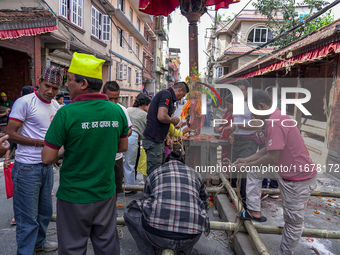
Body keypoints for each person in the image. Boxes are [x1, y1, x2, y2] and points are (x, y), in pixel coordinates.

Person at [41, 52, 129, 255]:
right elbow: (123, 146)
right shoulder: (116, 111)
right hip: (105, 194)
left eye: (70, 80)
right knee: (107, 246)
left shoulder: (67, 112)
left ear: (83, 83)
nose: (66, 85)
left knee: (73, 248)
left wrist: (68, 150)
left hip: (74, 196)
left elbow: (47, 157)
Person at [235, 89, 317, 255]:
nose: (252, 116)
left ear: (261, 106)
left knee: (292, 223)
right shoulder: (277, 116)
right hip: (285, 170)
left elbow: (272, 157)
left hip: (298, 179)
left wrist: (246, 165)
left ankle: (284, 254)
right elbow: (267, 149)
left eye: (253, 112)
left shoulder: (274, 122)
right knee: (254, 171)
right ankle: (254, 211)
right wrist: (246, 161)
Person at [7, 66, 62, 254]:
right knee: (26, 216)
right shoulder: (24, 102)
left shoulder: (56, 106)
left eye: (55, 88)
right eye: (47, 86)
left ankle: (39, 243)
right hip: (26, 168)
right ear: (39, 82)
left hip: (46, 166)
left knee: (45, 212)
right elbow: (11, 134)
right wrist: (41, 143)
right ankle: (26, 251)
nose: (50, 91)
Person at [124, 150, 210, 255]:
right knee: (198, 216)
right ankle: (185, 251)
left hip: (157, 236)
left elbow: (145, 199)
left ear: (165, 163)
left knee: (128, 212)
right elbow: (205, 203)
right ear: (183, 164)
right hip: (190, 237)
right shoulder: (195, 174)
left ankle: (149, 252)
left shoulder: (156, 172)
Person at [226, 79, 263, 208]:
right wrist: (232, 132)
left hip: (249, 141)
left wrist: (237, 125)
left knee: (244, 170)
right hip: (237, 139)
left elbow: (258, 125)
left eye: (241, 90)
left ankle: (245, 203)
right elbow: (236, 122)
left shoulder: (253, 104)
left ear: (248, 90)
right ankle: (235, 198)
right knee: (234, 169)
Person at [143, 82, 189, 175]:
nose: (181, 98)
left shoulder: (167, 96)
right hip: (153, 140)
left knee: (159, 170)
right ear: (179, 90)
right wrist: (173, 120)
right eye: (183, 95)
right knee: (154, 173)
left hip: (158, 140)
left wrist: (167, 137)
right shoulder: (166, 95)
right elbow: (161, 116)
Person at [102, 81, 132, 196]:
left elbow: (129, 130)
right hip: (101, 158)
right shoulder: (98, 110)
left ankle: (112, 213)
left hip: (116, 158)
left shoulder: (121, 110)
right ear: (102, 94)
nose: (113, 102)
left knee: (114, 191)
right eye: (110, 99)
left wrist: (120, 135)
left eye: (116, 98)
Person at [124, 93, 151, 192]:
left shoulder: (128, 109)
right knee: (130, 164)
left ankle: (125, 185)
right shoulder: (145, 115)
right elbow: (148, 131)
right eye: (149, 105)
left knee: (121, 162)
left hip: (122, 136)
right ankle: (129, 188)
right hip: (133, 137)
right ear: (144, 105)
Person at [214, 94, 233, 168]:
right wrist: (218, 125)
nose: (227, 107)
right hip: (224, 136)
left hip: (230, 137)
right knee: (224, 155)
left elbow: (233, 126)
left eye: (228, 105)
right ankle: (225, 172)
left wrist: (221, 129)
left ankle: (228, 175)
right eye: (226, 104)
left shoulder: (236, 113)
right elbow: (223, 120)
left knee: (228, 157)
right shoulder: (228, 111)